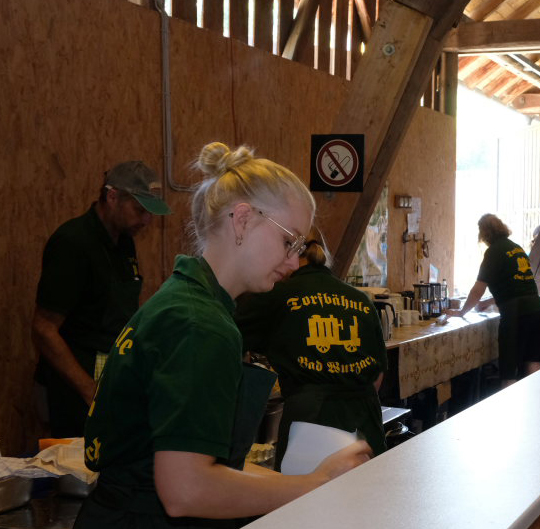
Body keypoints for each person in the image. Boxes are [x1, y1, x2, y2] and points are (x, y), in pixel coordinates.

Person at [75, 143, 371, 528]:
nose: (294, 261)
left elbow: (197, 462)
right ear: (243, 220)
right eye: (289, 241)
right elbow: (186, 490)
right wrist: (314, 486)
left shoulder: (186, 301)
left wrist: (312, 481)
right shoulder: (200, 324)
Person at [31, 161, 172, 438]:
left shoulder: (124, 241)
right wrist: (89, 390)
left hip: (109, 378)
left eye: (150, 213)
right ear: (112, 197)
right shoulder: (73, 243)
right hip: (74, 390)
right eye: (140, 210)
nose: (146, 221)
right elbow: (43, 328)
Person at [235, 226, 388, 469]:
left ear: (288, 252)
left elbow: (230, 342)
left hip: (310, 424)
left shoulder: (275, 295)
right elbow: (377, 375)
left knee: (307, 492)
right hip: (365, 423)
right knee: (366, 490)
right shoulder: (361, 299)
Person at [445, 214, 540, 387]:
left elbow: (478, 289)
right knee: (533, 362)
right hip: (538, 312)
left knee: (509, 371)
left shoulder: (493, 252)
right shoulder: (516, 248)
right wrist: (486, 303)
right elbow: (516, 286)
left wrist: (462, 312)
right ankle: (538, 402)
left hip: (517, 316)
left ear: (484, 233)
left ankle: (509, 404)